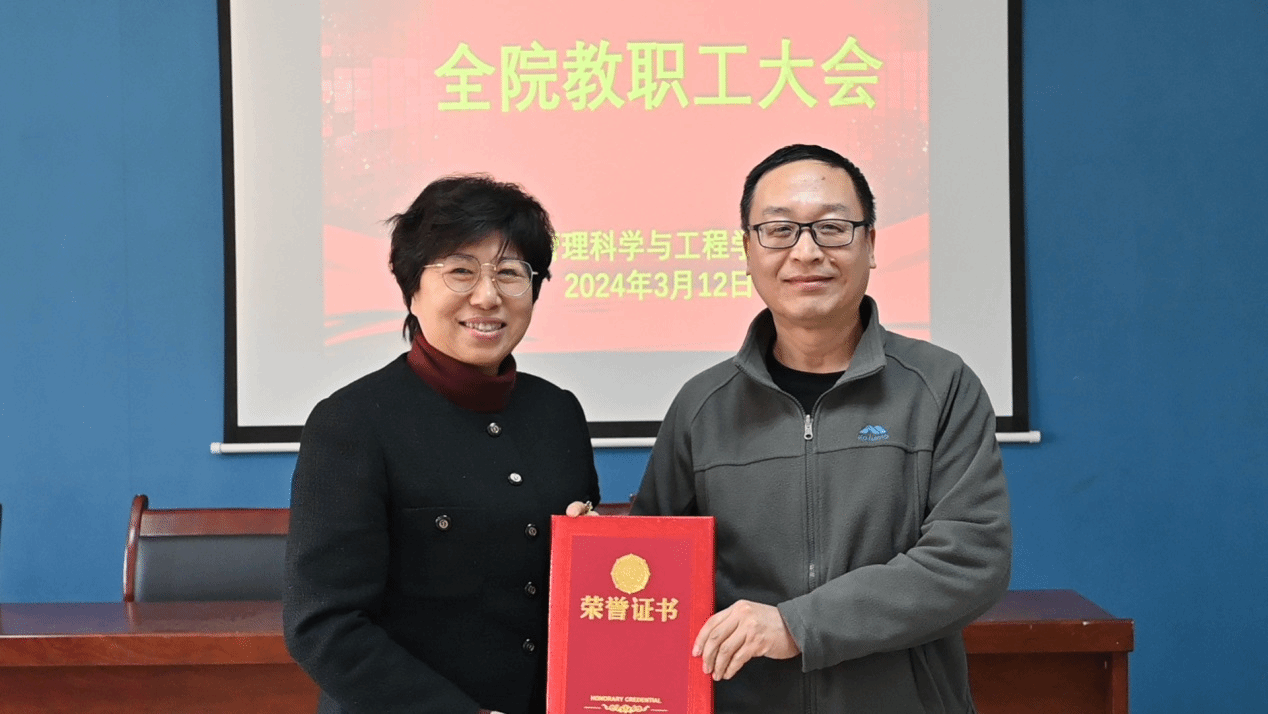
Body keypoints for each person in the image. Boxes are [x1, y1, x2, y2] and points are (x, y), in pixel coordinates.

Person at [630, 144, 1012, 713]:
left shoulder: (939, 387)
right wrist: (598, 553)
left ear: (871, 244)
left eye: (832, 228)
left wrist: (798, 624)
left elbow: (969, 560)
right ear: (747, 250)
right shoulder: (701, 407)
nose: (806, 252)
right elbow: (654, 576)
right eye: (779, 230)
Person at [284, 174, 601, 714]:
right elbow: (323, 625)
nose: (488, 296)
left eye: (510, 273)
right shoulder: (352, 423)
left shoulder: (558, 413)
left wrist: (592, 555)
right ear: (412, 288)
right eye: (460, 271)